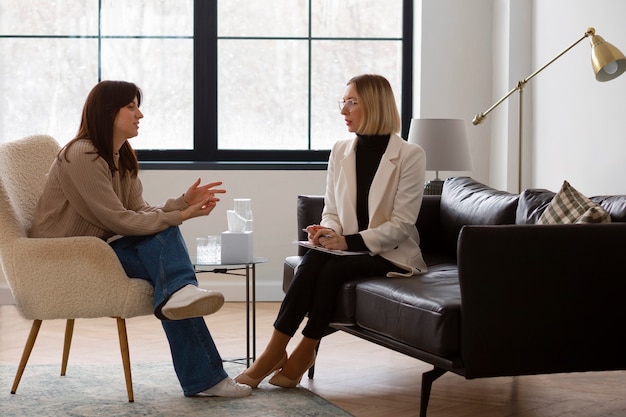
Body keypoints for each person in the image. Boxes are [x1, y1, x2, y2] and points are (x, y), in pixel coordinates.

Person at [29, 80, 252, 398]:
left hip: (100, 249)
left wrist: (180, 203)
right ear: (108, 113)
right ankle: (204, 375)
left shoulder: (121, 156)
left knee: (171, 286)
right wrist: (181, 216)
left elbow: (139, 211)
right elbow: (117, 220)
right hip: (67, 255)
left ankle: (183, 301)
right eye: (131, 107)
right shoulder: (82, 155)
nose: (140, 114)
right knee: (170, 260)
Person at [235, 74, 427, 388]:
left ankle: (291, 352)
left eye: (352, 102)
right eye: (343, 102)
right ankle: (282, 352)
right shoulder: (340, 150)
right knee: (315, 260)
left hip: (391, 254)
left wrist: (345, 241)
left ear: (375, 105)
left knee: (328, 268)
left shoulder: (410, 155)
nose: (343, 110)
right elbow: (333, 210)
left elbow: (402, 225)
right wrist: (327, 232)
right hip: (348, 248)